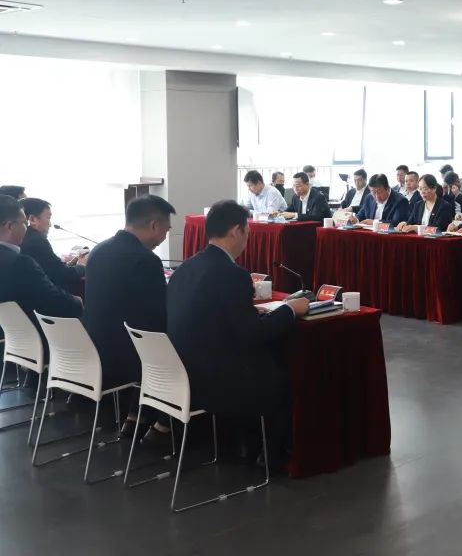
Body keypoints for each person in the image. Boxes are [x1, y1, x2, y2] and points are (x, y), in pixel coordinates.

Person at [167, 200, 309, 471]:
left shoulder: (186, 268)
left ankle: (245, 442)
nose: (247, 239)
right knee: (283, 371)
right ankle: (271, 454)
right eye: (247, 232)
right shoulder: (233, 274)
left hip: (184, 371)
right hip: (217, 380)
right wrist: (290, 310)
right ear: (236, 231)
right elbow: (251, 334)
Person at [82, 195, 176, 440]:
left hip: (97, 347)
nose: (164, 237)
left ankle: (138, 415)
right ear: (154, 225)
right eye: (166, 230)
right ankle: (164, 423)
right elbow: (159, 315)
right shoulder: (145, 259)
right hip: (127, 356)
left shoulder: (99, 250)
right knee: (184, 343)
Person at [0, 195, 83, 336]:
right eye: (24, 223)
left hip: (9, 338)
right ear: (10, 226)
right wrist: (77, 302)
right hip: (35, 335)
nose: (26, 228)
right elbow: (52, 300)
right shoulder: (20, 263)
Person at [18, 198, 86, 295]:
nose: (50, 224)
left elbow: (50, 269)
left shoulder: (22, 237)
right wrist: (82, 265)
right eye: (48, 218)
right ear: (33, 219)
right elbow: (62, 275)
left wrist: (70, 264)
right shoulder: (36, 241)